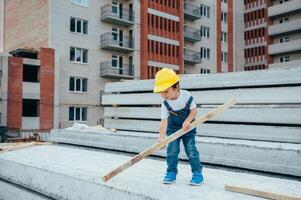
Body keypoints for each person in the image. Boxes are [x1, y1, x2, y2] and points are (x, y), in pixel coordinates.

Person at [153, 68, 204, 186]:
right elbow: (164, 121)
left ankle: (197, 173)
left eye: (165, 91)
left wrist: (187, 121)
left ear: (176, 87)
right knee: (172, 151)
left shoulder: (186, 96)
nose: (163, 95)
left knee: (191, 150)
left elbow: (194, 111)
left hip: (188, 129)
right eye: (161, 92)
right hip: (173, 129)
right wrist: (161, 138)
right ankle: (171, 173)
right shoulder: (165, 104)